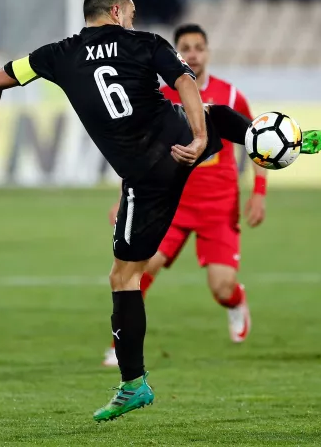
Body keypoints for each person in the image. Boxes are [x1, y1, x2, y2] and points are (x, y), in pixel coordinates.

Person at [0, 0, 321, 422]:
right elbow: (186, 81)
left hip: (147, 174)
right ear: (116, 11)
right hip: (177, 140)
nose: (131, 19)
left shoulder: (55, 55)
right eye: (130, 12)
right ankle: (280, 140)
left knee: (123, 277)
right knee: (222, 117)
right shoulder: (146, 43)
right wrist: (201, 136)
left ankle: (133, 383)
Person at [102, 23, 264, 367]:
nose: (193, 53)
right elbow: (141, 156)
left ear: (207, 52)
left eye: (198, 47)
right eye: (185, 48)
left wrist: (259, 192)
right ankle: (123, 347)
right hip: (170, 202)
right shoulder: (159, 97)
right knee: (139, 271)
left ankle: (236, 302)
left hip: (219, 205)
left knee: (221, 288)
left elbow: (258, 143)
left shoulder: (231, 96)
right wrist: (123, 200)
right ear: (177, 54)